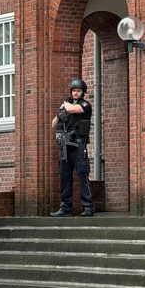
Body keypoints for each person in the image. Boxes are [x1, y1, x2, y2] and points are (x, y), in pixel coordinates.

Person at [51, 78, 95, 218]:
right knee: (64, 176)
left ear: (82, 93)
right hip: (66, 145)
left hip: (78, 144)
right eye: (74, 91)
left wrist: (65, 105)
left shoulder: (85, 105)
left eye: (78, 91)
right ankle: (65, 207)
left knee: (82, 174)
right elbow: (53, 124)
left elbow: (71, 108)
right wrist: (59, 114)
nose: (76, 93)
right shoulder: (65, 107)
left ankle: (88, 207)